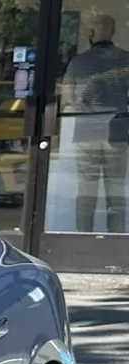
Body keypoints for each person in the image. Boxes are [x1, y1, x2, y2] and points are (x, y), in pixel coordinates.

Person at [61, 12, 129, 232]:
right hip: (117, 132)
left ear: (91, 34)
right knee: (116, 192)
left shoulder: (77, 62)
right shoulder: (126, 60)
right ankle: (116, 239)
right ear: (113, 32)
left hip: (86, 132)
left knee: (86, 192)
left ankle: (83, 237)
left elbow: (67, 98)